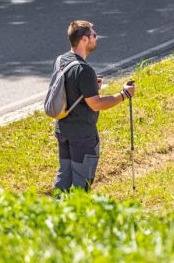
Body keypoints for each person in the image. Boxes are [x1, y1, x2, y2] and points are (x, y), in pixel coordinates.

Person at [53, 20, 136, 193]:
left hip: (63, 130)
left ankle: (56, 209)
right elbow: (96, 104)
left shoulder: (61, 60)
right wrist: (124, 95)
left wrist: (91, 88)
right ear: (84, 39)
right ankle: (79, 210)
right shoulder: (84, 70)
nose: (96, 38)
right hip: (82, 135)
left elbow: (69, 91)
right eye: (94, 35)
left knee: (64, 178)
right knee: (82, 183)